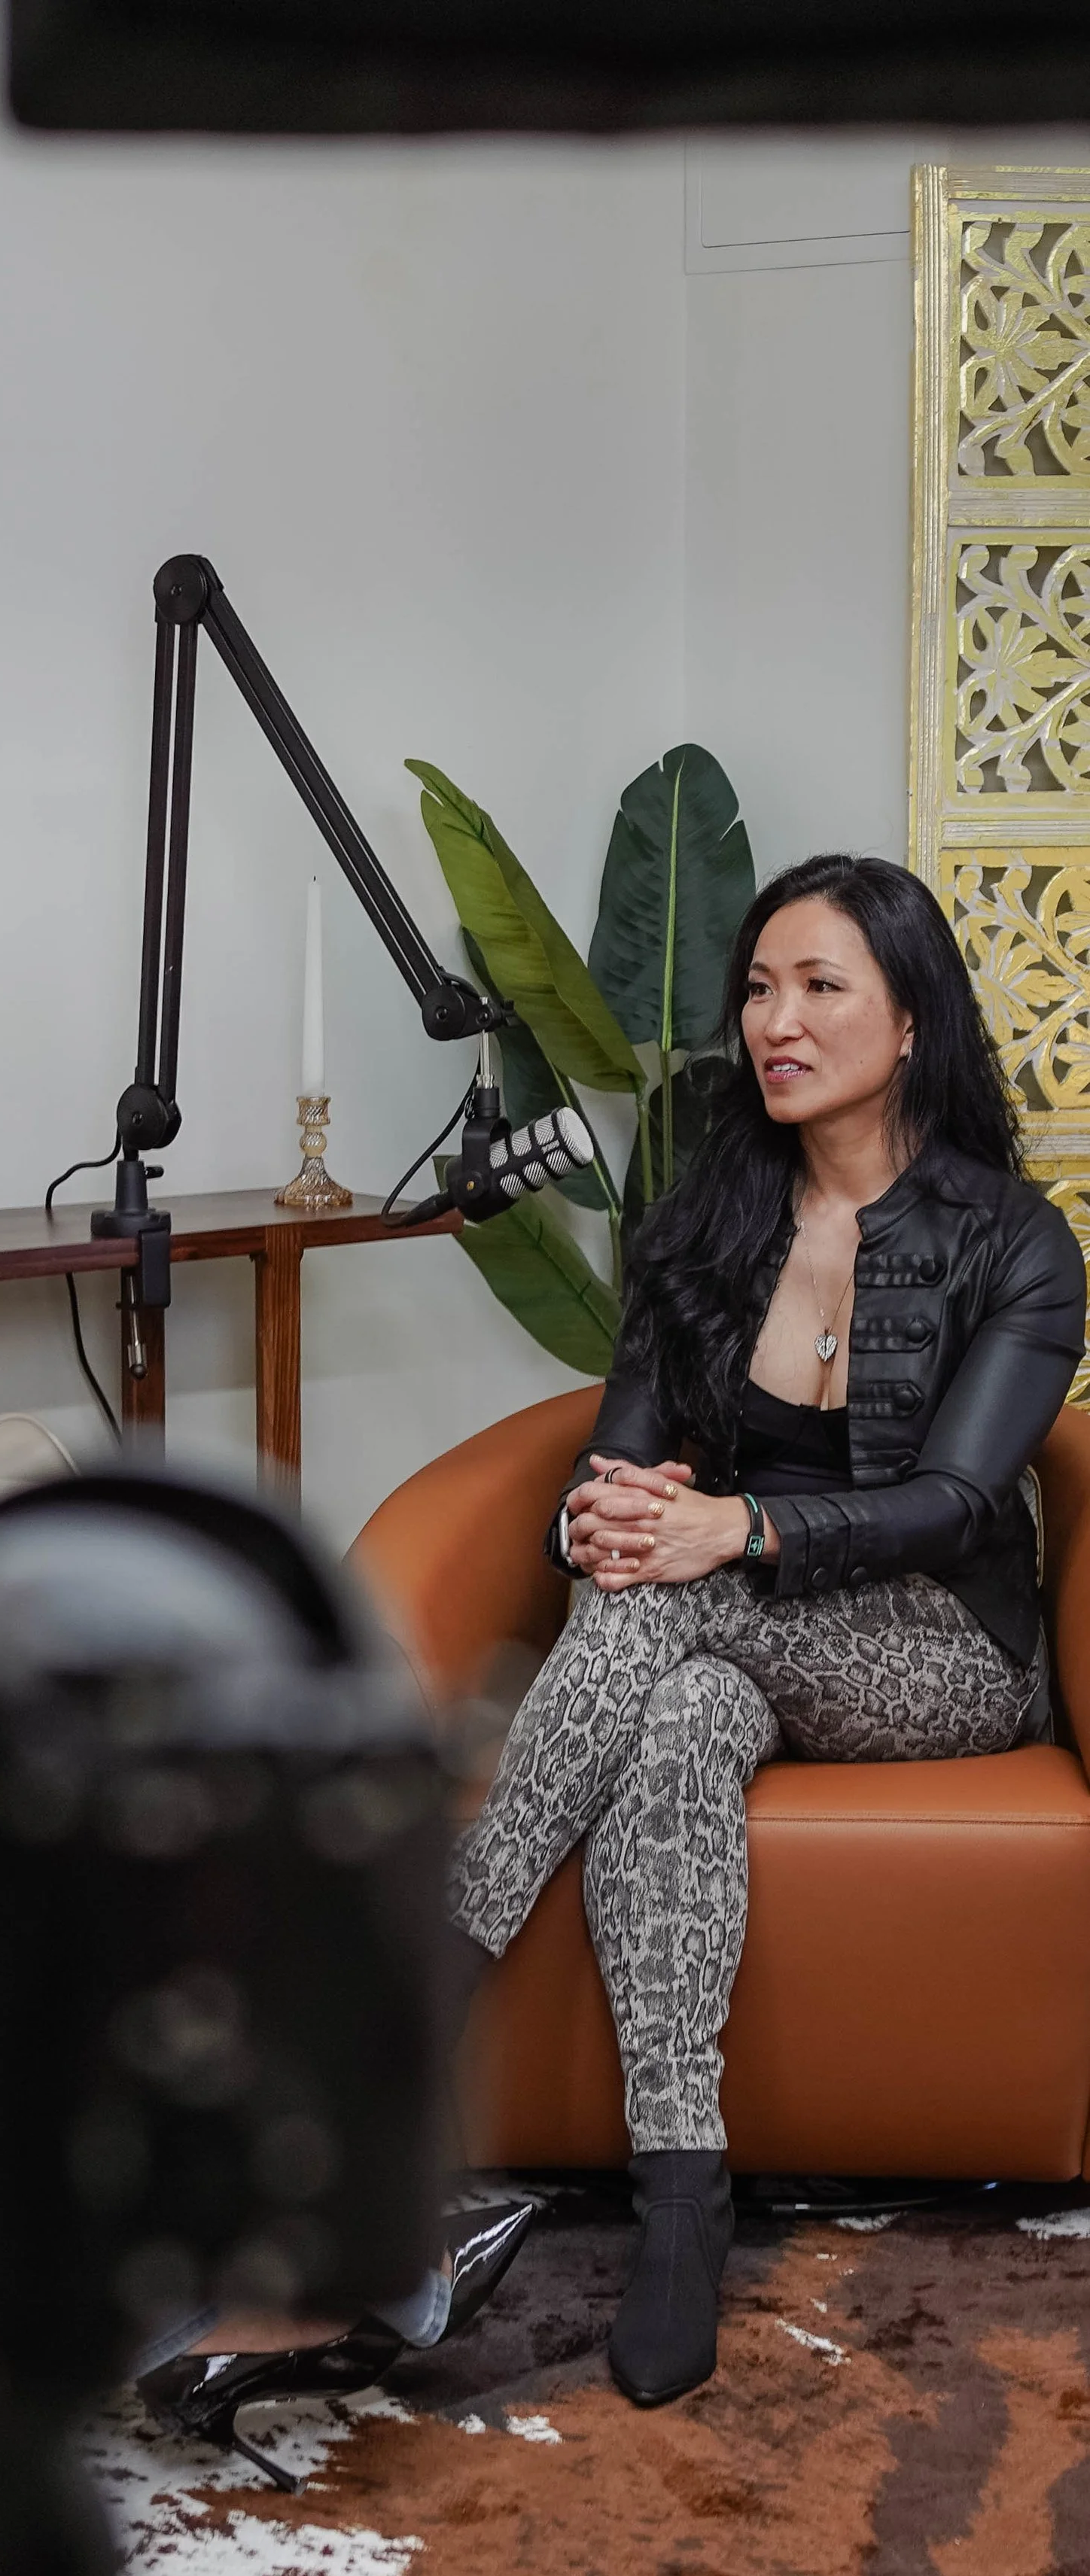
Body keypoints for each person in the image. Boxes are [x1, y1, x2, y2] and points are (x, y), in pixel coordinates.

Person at [453, 853, 1085, 2407]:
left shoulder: (1013, 1243)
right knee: (671, 1709)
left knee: (664, 1603)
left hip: (935, 1648)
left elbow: (951, 1501)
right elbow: (617, 1468)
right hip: (721, 1637)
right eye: (755, 986)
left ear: (910, 1021)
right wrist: (587, 1524)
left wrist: (727, 1529)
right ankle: (683, 2194)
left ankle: (415, 1982)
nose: (772, 1022)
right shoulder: (700, 1221)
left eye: (818, 988)